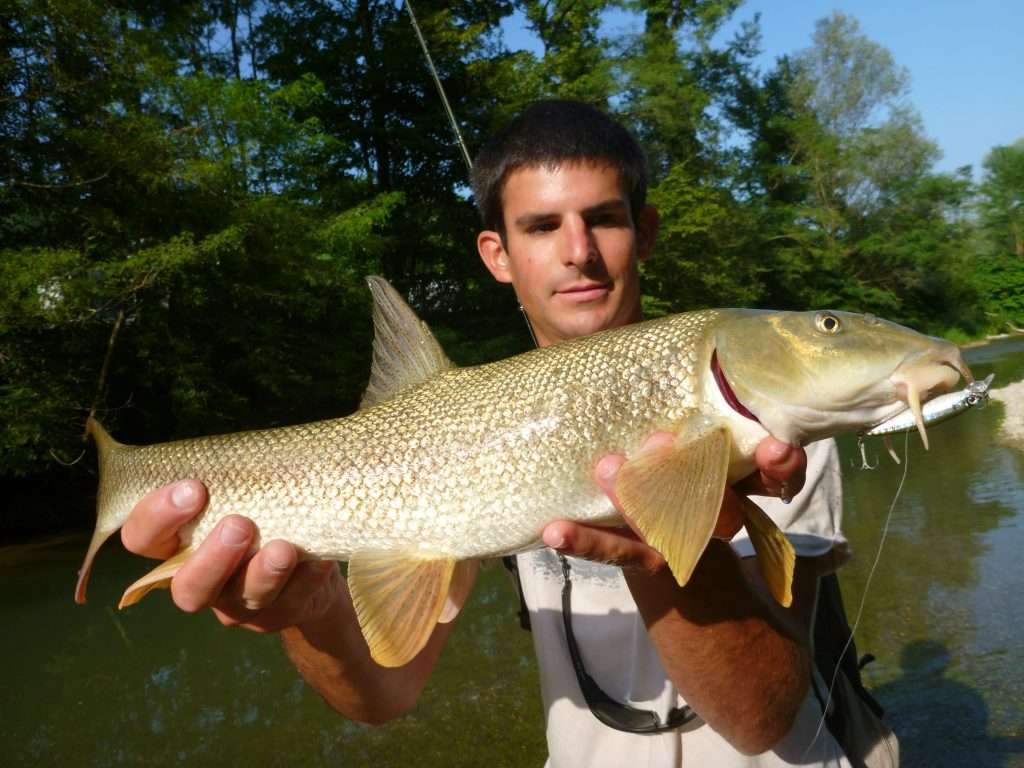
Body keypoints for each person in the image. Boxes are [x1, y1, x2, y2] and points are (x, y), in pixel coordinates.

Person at [120, 100, 855, 766]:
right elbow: (382, 696)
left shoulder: (771, 431)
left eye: (603, 218)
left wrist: (670, 550)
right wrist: (308, 614)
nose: (578, 251)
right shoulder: (470, 429)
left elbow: (764, 719)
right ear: (496, 254)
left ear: (646, 233)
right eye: (542, 226)